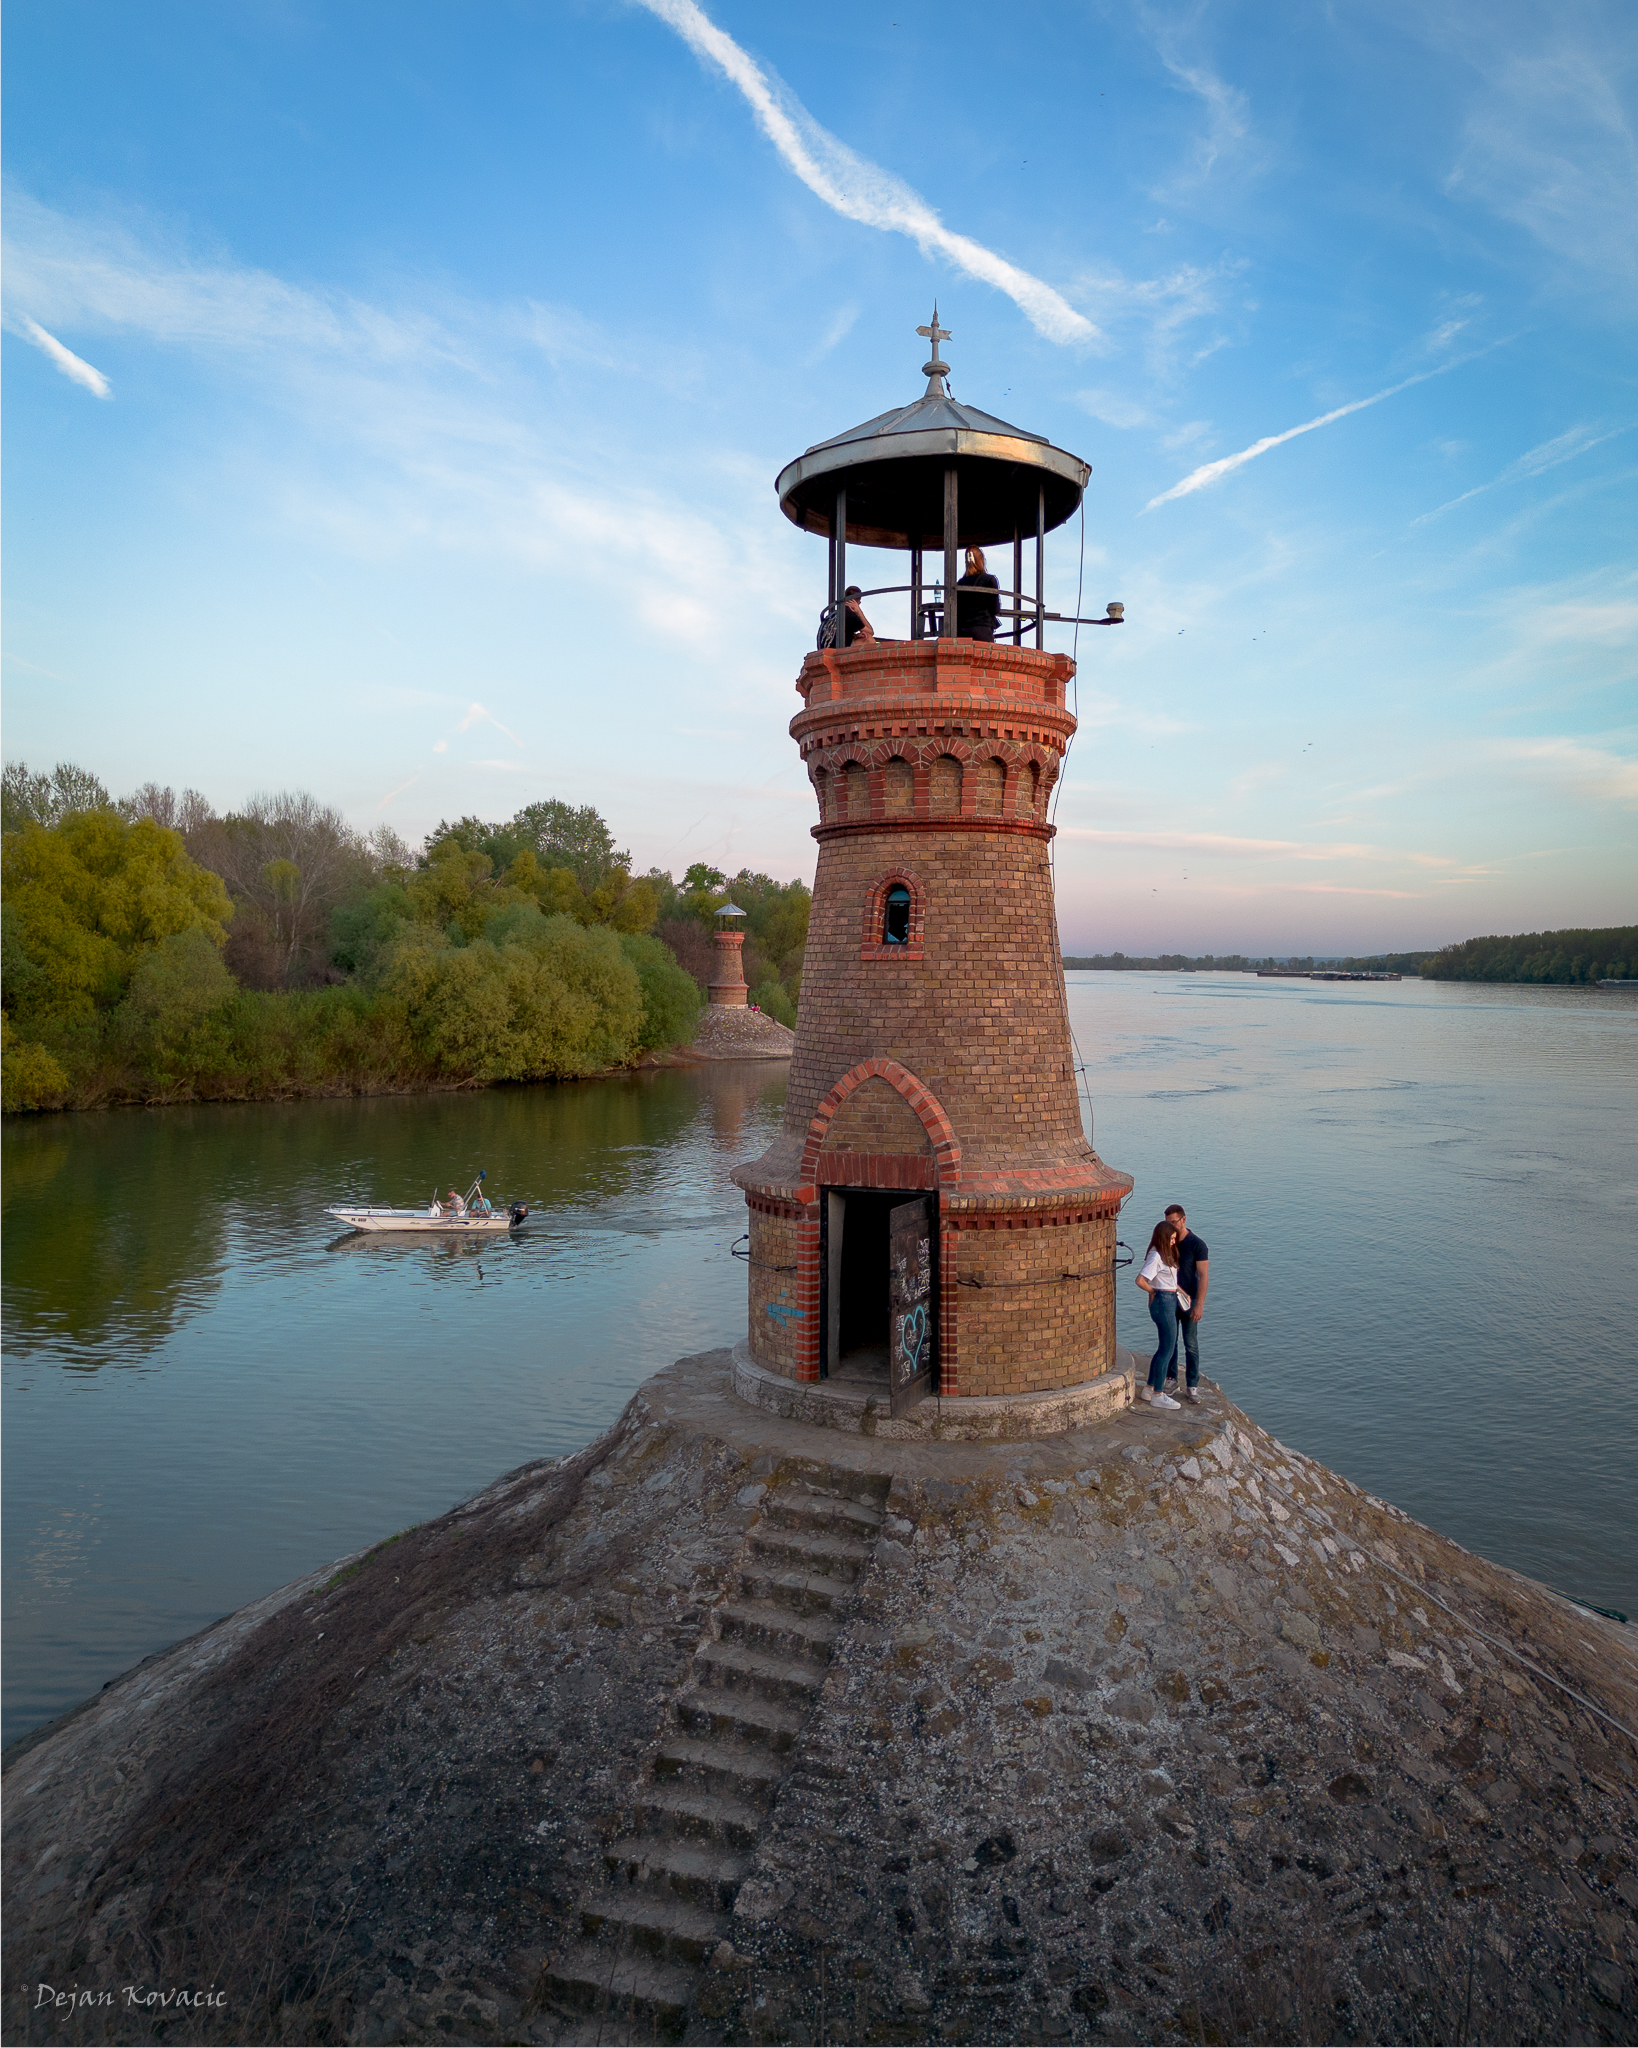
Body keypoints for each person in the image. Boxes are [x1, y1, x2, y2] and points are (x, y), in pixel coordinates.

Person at [1135, 1219, 1190, 1409]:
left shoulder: (1164, 1254)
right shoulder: (1156, 1256)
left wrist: (1181, 1292)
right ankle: (1159, 1393)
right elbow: (1141, 1280)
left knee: (1164, 1347)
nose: (1174, 1242)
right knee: (1167, 1348)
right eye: (1172, 1238)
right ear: (1164, 1237)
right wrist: (1153, 1292)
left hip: (1169, 1298)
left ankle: (1150, 1388)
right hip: (1163, 1302)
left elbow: (1169, 1281)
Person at [1162, 1203, 1209, 1404]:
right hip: (1169, 1299)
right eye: (1168, 1223)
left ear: (1184, 1219)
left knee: (1190, 1343)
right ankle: (1171, 1379)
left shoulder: (1197, 1245)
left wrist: (1199, 1304)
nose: (1171, 1226)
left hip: (1190, 1300)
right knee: (1170, 1341)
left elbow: (1203, 1275)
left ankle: (1192, 1385)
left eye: (1174, 1222)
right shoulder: (1167, 1243)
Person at [955, 546, 999, 642]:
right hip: (982, 628)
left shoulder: (960, 583)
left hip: (961, 630)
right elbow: (995, 609)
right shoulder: (989, 580)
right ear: (981, 560)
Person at [817, 585, 875, 650]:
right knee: (869, 640)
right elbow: (870, 632)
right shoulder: (850, 615)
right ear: (857, 603)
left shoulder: (833, 614)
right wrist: (859, 611)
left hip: (823, 651)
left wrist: (854, 636)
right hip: (836, 652)